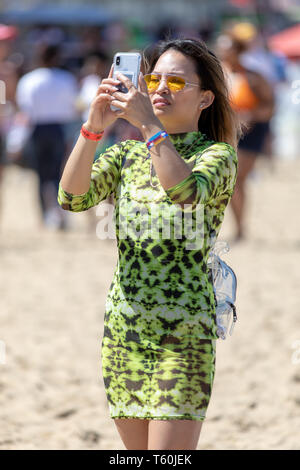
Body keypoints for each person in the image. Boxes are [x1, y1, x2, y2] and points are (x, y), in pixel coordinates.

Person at [57, 37, 240, 450]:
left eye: (176, 83)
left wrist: (149, 126)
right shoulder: (125, 156)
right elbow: (71, 198)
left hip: (186, 329)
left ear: (206, 98)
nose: (158, 89)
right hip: (125, 329)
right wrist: (93, 128)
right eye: (153, 78)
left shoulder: (216, 155)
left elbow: (185, 192)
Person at [215, 31, 275, 242]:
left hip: (251, 132)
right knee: (228, 181)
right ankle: (238, 227)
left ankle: (241, 228)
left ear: (238, 51)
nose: (224, 51)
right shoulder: (218, 75)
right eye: (221, 47)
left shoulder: (252, 77)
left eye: (228, 48)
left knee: (236, 177)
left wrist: (250, 115)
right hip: (226, 131)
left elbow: (270, 106)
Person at [16, 43, 80, 230]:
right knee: (58, 173)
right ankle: (59, 213)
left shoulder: (29, 80)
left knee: (41, 175)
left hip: (37, 129)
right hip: (59, 129)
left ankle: (45, 214)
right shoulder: (66, 79)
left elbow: (25, 110)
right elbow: (73, 108)